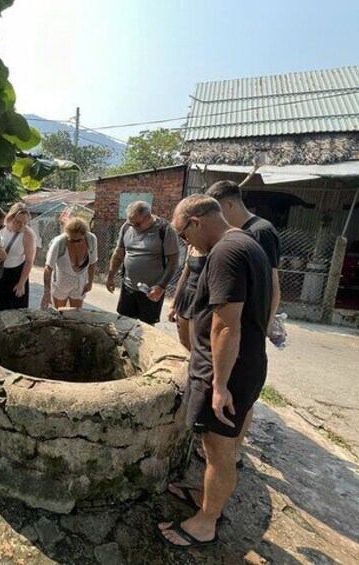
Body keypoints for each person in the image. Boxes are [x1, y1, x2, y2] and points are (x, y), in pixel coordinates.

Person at [159, 195, 272, 550]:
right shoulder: (246, 243)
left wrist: (220, 384)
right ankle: (205, 498)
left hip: (226, 372)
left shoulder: (225, 252)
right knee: (217, 450)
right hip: (245, 363)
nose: (184, 242)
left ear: (195, 221)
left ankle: (205, 523)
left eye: (183, 233)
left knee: (219, 451)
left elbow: (226, 325)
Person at [205, 180, 282, 464]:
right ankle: (231, 448)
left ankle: (234, 451)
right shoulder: (241, 234)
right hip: (238, 324)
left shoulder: (260, 232)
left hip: (246, 327)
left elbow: (273, 284)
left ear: (228, 205)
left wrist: (265, 325)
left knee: (240, 395)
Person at [106, 201, 179, 325]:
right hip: (128, 287)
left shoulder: (164, 229)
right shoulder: (127, 227)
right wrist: (110, 276)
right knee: (123, 324)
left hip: (151, 291)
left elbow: (173, 261)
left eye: (137, 224)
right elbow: (119, 253)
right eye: (130, 222)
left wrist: (161, 286)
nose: (133, 226)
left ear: (148, 218)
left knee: (146, 329)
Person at [41, 217, 98, 310]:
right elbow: (48, 268)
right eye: (71, 240)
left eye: (79, 240)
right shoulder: (59, 242)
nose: (75, 244)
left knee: (75, 316)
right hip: (61, 283)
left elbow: (93, 262)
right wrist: (46, 292)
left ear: (84, 235)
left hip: (80, 283)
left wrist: (90, 283)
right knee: (59, 314)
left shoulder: (91, 240)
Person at [0, 203, 36, 311]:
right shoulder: (1, 231)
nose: (21, 225)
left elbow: (29, 261)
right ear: (10, 218)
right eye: (18, 222)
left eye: (24, 222)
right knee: (0, 309)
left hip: (18, 275)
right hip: (1, 274)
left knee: (17, 310)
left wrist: (21, 283)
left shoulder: (28, 234)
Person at [167, 244, 207, 351]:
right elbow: (184, 277)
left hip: (201, 298)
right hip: (186, 297)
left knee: (196, 344)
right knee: (184, 342)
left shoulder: (213, 248)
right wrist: (173, 304)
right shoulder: (191, 248)